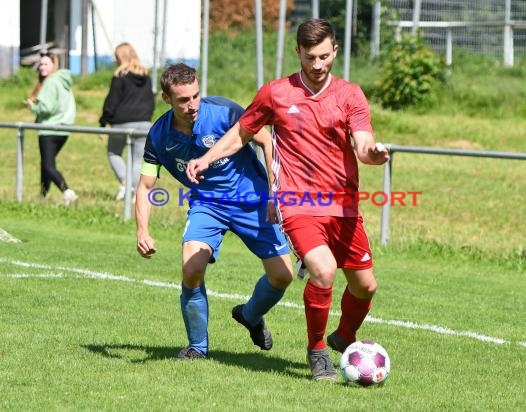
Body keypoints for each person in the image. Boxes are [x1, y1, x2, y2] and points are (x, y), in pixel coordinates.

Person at [186, 18, 390, 380]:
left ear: (335, 52)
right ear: (297, 52)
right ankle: (317, 354)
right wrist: (207, 158)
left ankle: (344, 338)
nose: (317, 65)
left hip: (343, 206)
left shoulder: (350, 94)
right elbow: (241, 133)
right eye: (310, 56)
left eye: (324, 56)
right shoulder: (276, 93)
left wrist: (373, 155)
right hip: (296, 203)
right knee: (324, 271)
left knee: (365, 285)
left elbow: (363, 144)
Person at [135, 63, 294, 360]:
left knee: (283, 276)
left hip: (253, 200)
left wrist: (275, 193)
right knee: (191, 268)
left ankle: (250, 315)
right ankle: (197, 347)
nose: (192, 105)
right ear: (166, 99)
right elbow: (145, 187)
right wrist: (142, 230)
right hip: (207, 205)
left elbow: (267, 141)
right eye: (183, 99)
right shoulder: (158, 136)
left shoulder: (224, 112)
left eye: (195, 95)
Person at [99, 42, 155, 201]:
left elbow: (112, 101)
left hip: (121, 123)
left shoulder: (120, 76)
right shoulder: (147, 77)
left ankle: (125, 184)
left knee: (113, 153)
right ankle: (135, 193)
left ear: (120, 57)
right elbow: (151, 101)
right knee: (138, 160)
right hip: (143, 124)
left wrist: (104, 121)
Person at [25, 52, 78, 206]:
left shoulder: (51, 82)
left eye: (46, 64)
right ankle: (42, 196)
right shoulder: (63, 81)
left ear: (54, 65)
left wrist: (32, 106)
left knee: (48, 165)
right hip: (64, 129)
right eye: (40, 64)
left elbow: (47, 107)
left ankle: (68, 192)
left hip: (49, 129)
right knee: (46, 164)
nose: (42, 67)